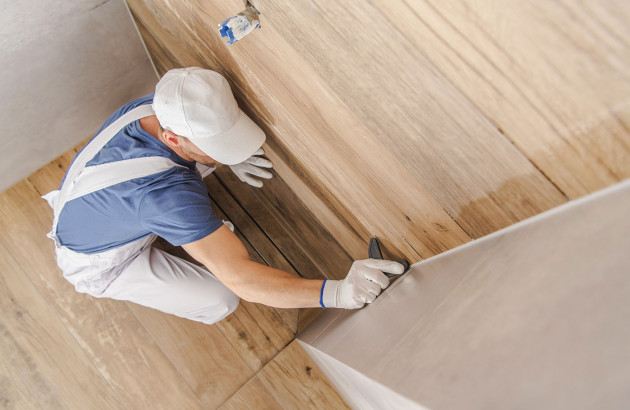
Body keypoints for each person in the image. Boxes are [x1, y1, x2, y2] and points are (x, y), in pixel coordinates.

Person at [43, 67, 404, 325]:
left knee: (183, 202)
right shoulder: (166, 197)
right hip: (98, 262)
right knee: (220, 300)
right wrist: (338, 293)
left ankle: (182, 230)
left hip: (95, 201)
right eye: (216, 147)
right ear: (172, 139)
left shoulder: (153, 107)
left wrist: (225, 159)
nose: (224, 154)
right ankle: (171, 245)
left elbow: (184, 153)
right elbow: (243, 280)